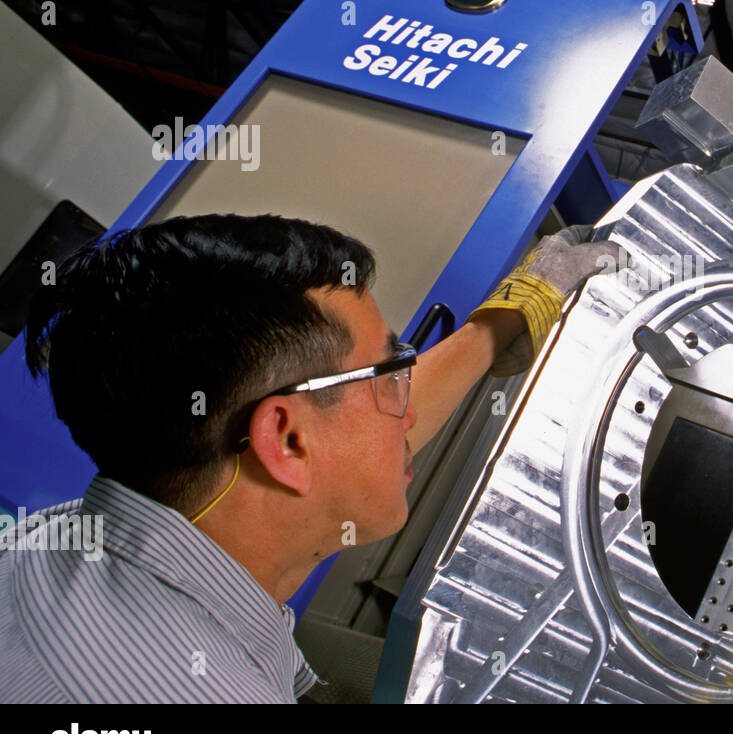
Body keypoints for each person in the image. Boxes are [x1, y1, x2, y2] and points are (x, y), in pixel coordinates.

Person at [0, 213, 616, 702]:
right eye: (388, 374)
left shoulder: (69, 544)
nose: (405, 407)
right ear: (288, 442)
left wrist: (516, 310)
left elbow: (355, 437)